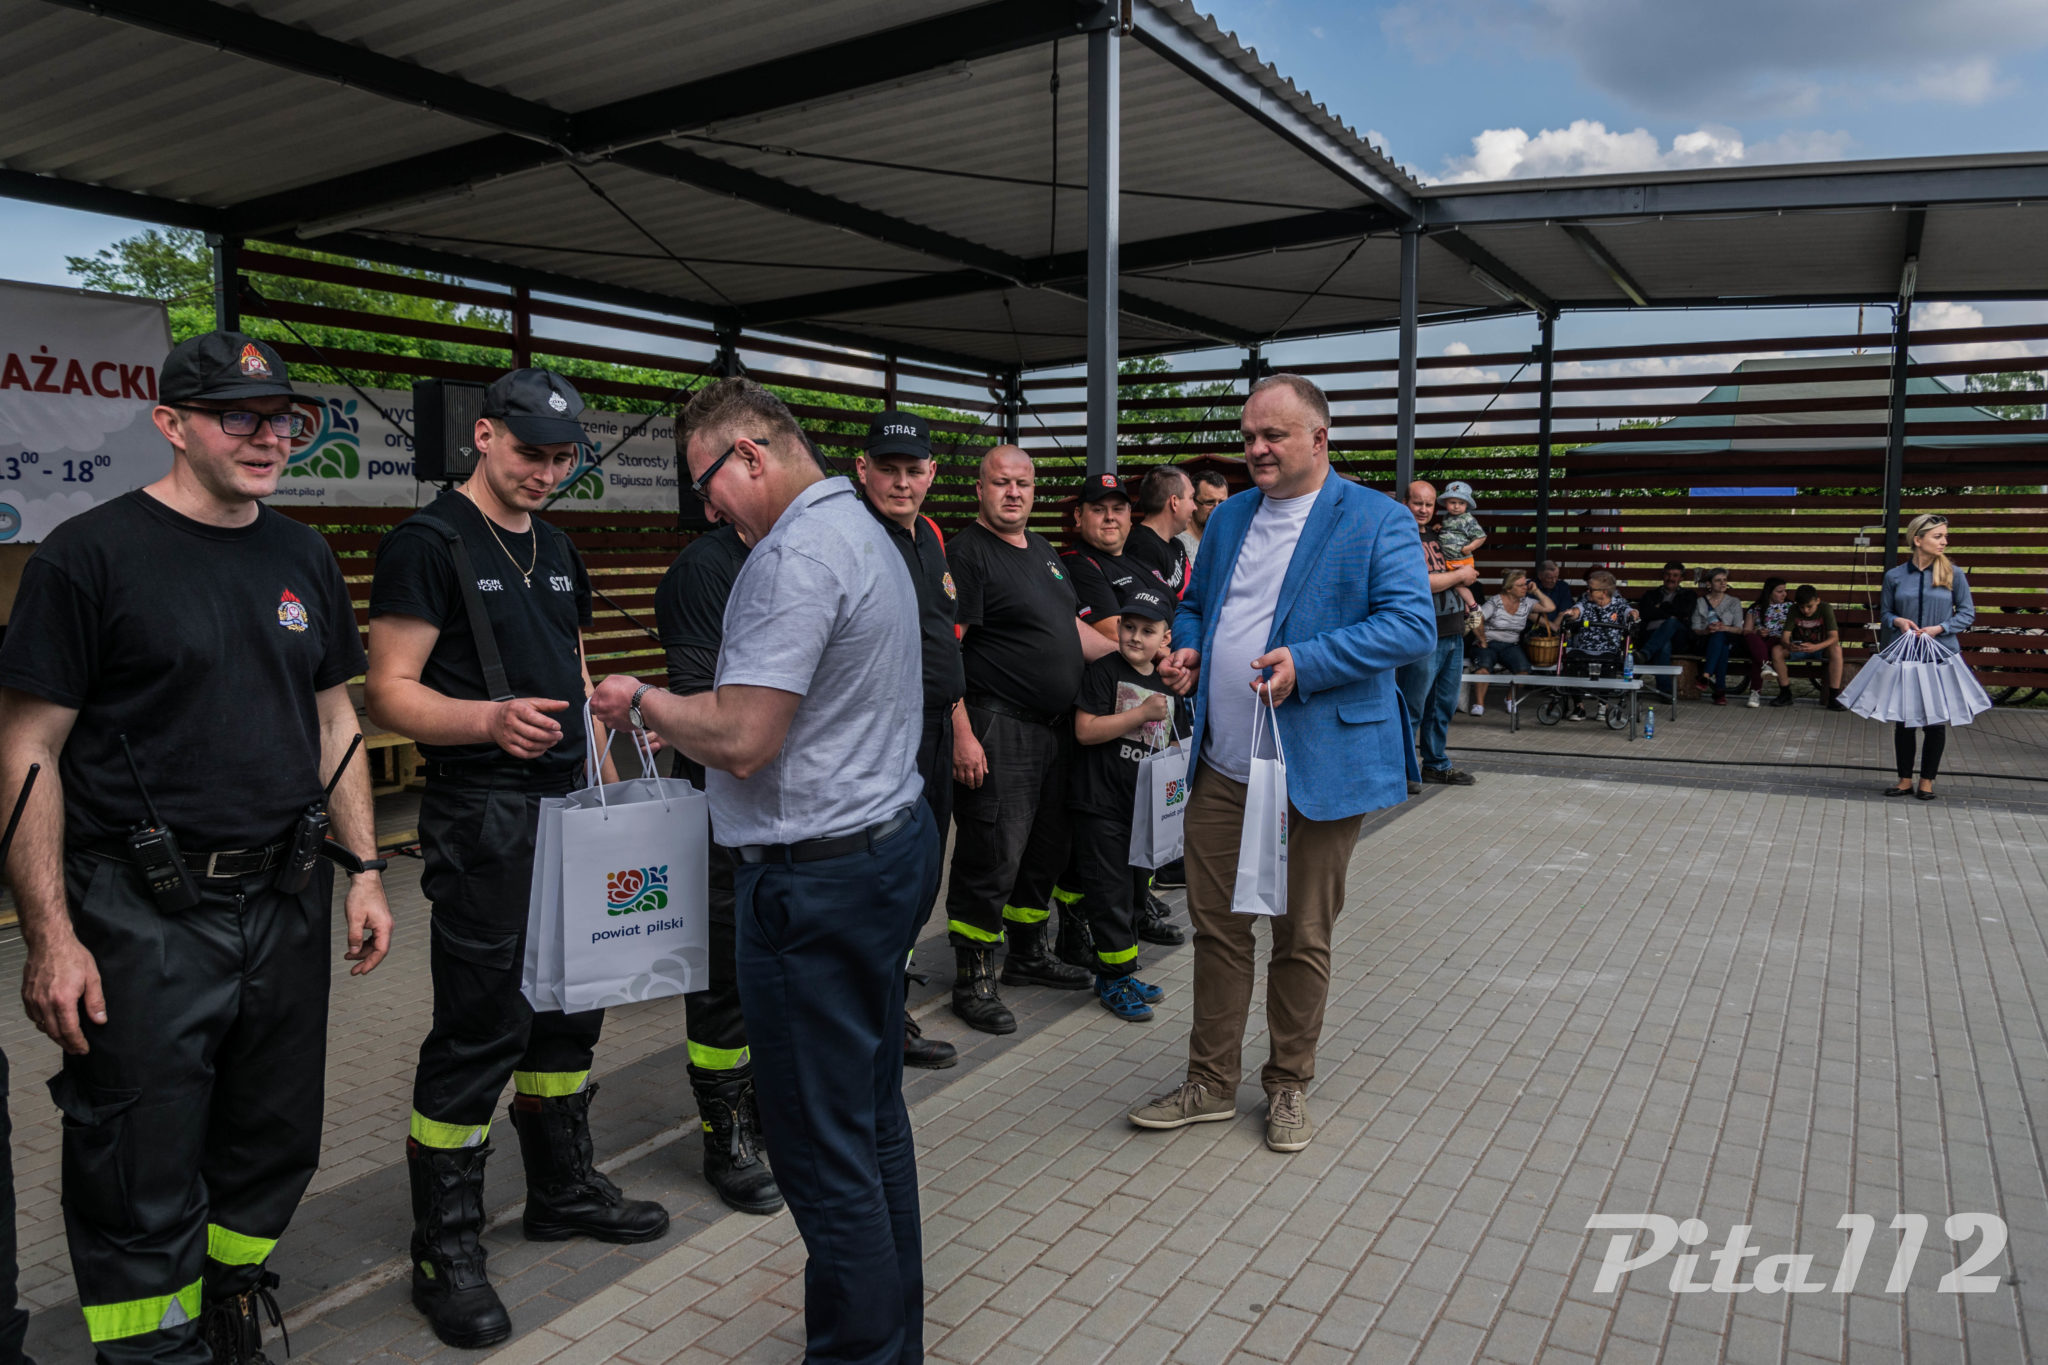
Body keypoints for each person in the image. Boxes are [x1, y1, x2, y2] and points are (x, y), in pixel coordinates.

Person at [0, 331, 392, 1365]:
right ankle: (151, 1353)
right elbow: (29, 749)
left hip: (287, 898)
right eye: (237, 417)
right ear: (171, 424)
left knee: (274, 1139)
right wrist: (51, 937)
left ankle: (227, 1308)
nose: (268, 437)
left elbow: (336, 719)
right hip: (142, 912)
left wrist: (365, 869)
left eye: (282, 418)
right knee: (139, 1159)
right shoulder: (87, 556)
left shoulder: (303, 555)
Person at [588, 375, 934, 1364]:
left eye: (706, 485)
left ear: (749, 454)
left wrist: (642, 701)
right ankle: (892, 1339)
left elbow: (742, 737)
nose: (708, 510)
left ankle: (859, 1351)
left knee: (821, 1150)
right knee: (869, 1121)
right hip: (881, 849)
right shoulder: (866, 529)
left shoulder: (792, 556)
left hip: (812, 885)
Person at [367, 369, 667, 1349]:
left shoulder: (558, 546)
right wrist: (487, 720)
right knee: (480, 1026)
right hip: (483, 810)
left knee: (573, 1006)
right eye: (531, 452)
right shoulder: (428, 544)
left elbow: (573, 677)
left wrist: (608, 773)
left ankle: (561, 1188)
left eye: (562, 458)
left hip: (570, 804)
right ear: (485, 436)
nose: (546, 472)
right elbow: (389, 692)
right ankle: (444, 1247)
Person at [1128, 374, 1433, 1153]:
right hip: (1223, 763)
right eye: (1249, 436)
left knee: (1301, 934)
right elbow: (1199, 604)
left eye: (1274, 435)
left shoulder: (1377, 518)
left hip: (1316, 769)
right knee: (1218, 930)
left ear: (1319, 438)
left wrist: (1309, 660)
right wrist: (1190, 646)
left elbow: (1411, 624)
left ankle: (1288, 1082)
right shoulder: (1230, 515)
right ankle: (1209, 1082)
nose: (1257, 449)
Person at [942, 448, 1117, 1034]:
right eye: (1001, 482)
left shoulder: (1041, 551)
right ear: (980, 488)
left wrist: (1133, 658)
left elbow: (1069, 630)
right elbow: (947, 650)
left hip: (1053, 729)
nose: (1013, 492)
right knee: (991, 854)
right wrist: (962, 734)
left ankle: (1027, 953)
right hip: (999, 727)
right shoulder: (967, 554)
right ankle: (973, 978)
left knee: (1045, 850)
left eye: (1023, 483)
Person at [652, 518, 786, 1216]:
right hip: (722, 808)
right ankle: (726, 1136)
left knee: (781, 968)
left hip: (794, 807)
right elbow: (703, 702)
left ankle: (773, 1113)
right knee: (723, 976)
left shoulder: (802, 552)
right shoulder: (705, 568)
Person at [853, 409, 965, 1070]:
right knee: (884, 878)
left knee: (921, 877)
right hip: (882, 735)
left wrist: (960, 725)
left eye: (913, 469)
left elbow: (945, 634)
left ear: (931, 473)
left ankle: (890, 1008)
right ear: (862, 469)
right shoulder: (856, 536)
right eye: (887, 468)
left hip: (935, 729)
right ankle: (874, 1024)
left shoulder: (929, 535)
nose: (901, 482)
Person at [1060, 475, 1187, 955]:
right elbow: (1116, 631)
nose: (1110, 518)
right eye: (1098, 509)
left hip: (1147, 741)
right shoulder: (1079, 564)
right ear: (1079, 516)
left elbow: (1173, 616)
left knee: (1139, 838)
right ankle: (1089, 934)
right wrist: (1168, 655)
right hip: (1105, 724)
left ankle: (1136, 910)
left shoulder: (1137, 563)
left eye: (1118, 508)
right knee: (1099, 848)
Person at [1068, 587, 1185, 1022]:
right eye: (1129, 626)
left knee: (1136, 895)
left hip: (1144, 811)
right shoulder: (1103, 672)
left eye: (1147, 631)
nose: (1135, 637)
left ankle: (1123, 972)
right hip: (1102, 807)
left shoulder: (1166, 682)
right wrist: (1140, 714)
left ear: (1165, 638)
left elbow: (1173, 744)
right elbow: (1085, 731)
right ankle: (1111, 980)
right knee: (1109, 896)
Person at [1880, 513, 1975, 799]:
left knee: (1935, 721)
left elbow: (1967, 613)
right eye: (1938, 536)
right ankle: (1904, 780)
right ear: (1918, 540)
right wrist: (1898, 621)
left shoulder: (1954, 574)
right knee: (1904, 720)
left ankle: (1927, 781)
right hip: (1906, 655)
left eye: (1945, 536)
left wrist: (1940, 628)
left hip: (1940, 656)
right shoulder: (1894, 576)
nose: (1944, 541)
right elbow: (1885, 613)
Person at [1395, 481, 1480, 786]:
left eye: (1429, 504)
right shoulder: (1400, 537)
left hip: (1453, 630)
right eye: (1417, 503)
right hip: (1422, 633)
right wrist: (1460, 575)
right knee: (1413, 706)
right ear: (1405, 503)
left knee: (1442, 705)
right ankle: (1402, 770)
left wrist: (1465, 575)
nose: (1423, 509)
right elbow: (1419, 582)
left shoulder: (1440, 535)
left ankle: (1435, 763)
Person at [1467, 569, 1553, 714]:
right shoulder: (1495, 602)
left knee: (1524, 670)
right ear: (1508, 589)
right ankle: (1479, 705)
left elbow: (1550, 607)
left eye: (1525, 584)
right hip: (1489, 643)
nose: (1525, 587)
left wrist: (1536, 591)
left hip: (1510, 645)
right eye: (1520, 585)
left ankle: (1510, 699)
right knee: (1483, 668)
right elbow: (1476, 618)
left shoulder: (1526, 603)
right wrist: (1482, 639)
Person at [1558, 570, 1638, 720]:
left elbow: (1629, 611)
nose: (1587, 591)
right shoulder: (1586, 602)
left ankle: (1603, 705)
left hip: (1608, 650)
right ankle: (1578, 706)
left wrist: (1633, 613)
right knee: (1571, 661)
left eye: (1591, 589)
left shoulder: (1619, 604)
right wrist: (1572, 613)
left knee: (1610, 664)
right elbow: (1577, 610)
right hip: (1584, 648)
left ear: (1604, 592)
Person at [1123, 465, 1194, 598]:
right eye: (1191, 498)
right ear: (1174, 502)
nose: (1194, 507)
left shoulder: (1176, 544)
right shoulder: (1141, 549)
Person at [1770, 584, 1845, 709]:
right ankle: (1785, 693)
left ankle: (1833, 697)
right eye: (1802, 607)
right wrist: (1789, 645)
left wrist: (1816, 647)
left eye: (1809, 606)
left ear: (1817, 601)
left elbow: (1834, 637)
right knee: (1776, 650)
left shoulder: (1825, 608)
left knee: (1837, 650)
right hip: (1799, 647)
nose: (1805, 610)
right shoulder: (1793, 609)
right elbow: (1784, 638)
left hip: (1820, 647)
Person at [1635, 560, 1698, 685]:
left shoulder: (1688, 595)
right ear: (1663, 576)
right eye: (1668, 574)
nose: (1671, 578)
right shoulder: (1650, 595)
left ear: (1681, 578)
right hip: (1651, 634)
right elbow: (1646, 613)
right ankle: (1665, 690)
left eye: (1675, 575)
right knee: (1664, 645)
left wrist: (1661, 607)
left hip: (1678, 637)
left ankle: (1645, 653)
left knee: (1672, 622)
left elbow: (1684, 613)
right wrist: (1671, 611)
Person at [1690, 567, 1743, 704]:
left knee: (1721, 639)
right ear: (1709, 584)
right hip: (1705, 641)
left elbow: (1739, 629)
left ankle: (1707, 676)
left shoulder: (1734, 602)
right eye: (1718, 580)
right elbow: (1695, 627)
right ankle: (1719, 691)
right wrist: (1707, 631)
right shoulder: (1700, 602)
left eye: (1725, 580)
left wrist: (1724, 628)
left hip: (1730, 639)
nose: (1723, 583)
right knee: (1720, 642)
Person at [1434, 480, 1487, 611]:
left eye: (1461, 503)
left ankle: (1474, 607)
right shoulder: (1447, 517)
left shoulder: (1467, 519)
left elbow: (1481, 536)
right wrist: (1439, 528)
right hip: (1449, 560)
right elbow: (1450, 532)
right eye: (1452, 502)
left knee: (1458, 586)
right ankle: (1466, 609)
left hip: (1461, 560)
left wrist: (1470, 548)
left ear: (1466, 504)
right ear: (1446, 502)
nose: (1456, 506)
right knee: (1451, 586)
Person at [1740, 577, 1792, 708]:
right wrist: (1758, 631)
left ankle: (1755, 692)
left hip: (1778, 642)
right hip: (1759, 642)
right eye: (1779, 591)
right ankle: (1765, 666)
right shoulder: (1755, 608)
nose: (1784, 594)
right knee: (1751, 637)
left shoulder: (1790, 607)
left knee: (1758, 656)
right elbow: (1746, 630)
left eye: (1785, 591)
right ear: (1769, 592)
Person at [1178, 470, 1230, 568]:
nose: (1217, 509)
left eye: (1222, 503)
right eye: (1209, 502)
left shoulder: (1229, 537)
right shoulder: (1177, 542)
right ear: (1193, 502)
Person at [1529, 560, 1575, 630]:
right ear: (1540, 576)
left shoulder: (1563, 587)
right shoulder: (1530, 586)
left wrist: (1554, 629)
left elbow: (1563, 611)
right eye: (1549, 578)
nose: (1554, 581)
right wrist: (1551, 626)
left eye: (1556, 577)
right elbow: (1529, 613)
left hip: (1557, 628)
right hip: (1533, 630)